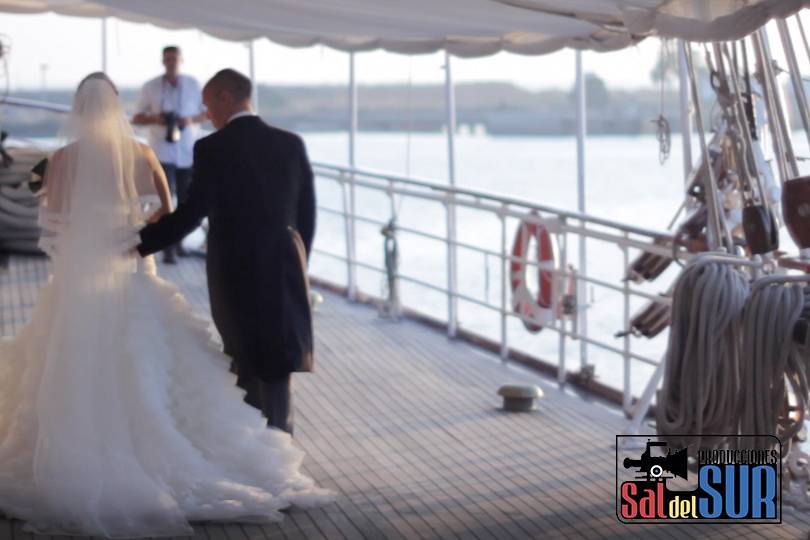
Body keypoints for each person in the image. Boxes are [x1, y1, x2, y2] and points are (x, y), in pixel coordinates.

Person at [0, 72, 333, 538]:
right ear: (117, 108)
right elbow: (168, 209)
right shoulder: (143, 155)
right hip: (151, 276)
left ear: (78, 110)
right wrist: (135, 243)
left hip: (80, 283)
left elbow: (54, 232)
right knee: (177, 365)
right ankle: (263, 437)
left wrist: (93, 249)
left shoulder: (61, 161)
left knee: (67, 365)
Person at [137, 69, 316, 436]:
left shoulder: (212, 148)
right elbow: (307, 216)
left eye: (207, 105)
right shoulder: (291, 143)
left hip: (234, 269)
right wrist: (300, 264)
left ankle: (256, 448)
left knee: (244, 353)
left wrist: (139, 242)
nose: (206, 115)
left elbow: (192, 212)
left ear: (224, 97)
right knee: (278, 357)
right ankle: (280, 440)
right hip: (283, 264)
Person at [133, 45, 206, 264]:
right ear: (163, 61)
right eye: (167, 59)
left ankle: (179, 242)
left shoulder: (193, 84)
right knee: (164, 200)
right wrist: (157, 118)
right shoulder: (151, 87)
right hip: (161, 152)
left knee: (186, 199)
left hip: (187, 151)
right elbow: (137, 117)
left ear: (181, 60)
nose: (171, 62)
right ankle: (166, 246)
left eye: (174, 59)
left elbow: (207, 113)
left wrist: (189, 120)